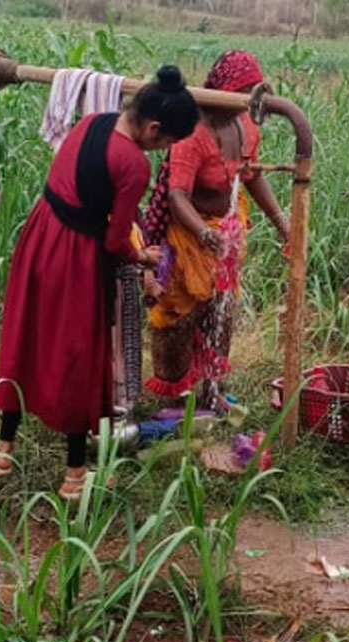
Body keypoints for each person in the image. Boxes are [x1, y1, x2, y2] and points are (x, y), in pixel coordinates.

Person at [0, 66, 200, 501]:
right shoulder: (133, 163)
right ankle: (74, 474)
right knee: (79, 355)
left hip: (41, 236)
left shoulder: (91, 122)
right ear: (154, 128)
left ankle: (3, 451)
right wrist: (144, 257)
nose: (164, 150)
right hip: (76, 257)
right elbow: (117, 239)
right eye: (168, 141)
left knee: (26, 337)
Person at [140, 50, 291, 412]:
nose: (244, 102)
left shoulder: (245, 125)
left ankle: (210, 389)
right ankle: (177, 395)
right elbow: (177, 195)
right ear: (222, 91)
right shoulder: (193, 132)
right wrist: (203, 233)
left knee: (220, 315)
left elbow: (252, 176)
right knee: (180, 315)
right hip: (188, 238)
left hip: (224, 235)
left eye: (250, 93)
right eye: (241, 92)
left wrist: (284, 224)